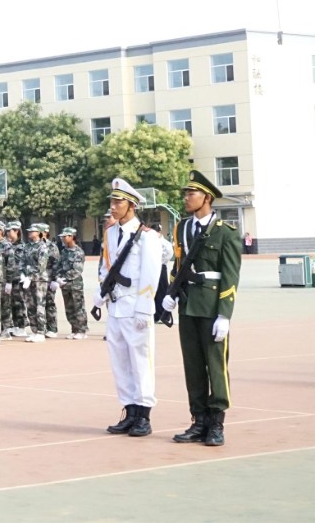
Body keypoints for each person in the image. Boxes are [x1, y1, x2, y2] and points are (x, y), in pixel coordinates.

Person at [162, 171, 240, 447]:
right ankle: (198, 420)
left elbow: (230, 275)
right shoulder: (182, 228)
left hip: (211, 307)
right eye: (185, 193)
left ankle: (217, 423)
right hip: (188, 306)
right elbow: (179, 265)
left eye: (191, 193)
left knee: (215, 366)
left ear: (206, 197)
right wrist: (171, 293)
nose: (186, 198)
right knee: (193, 366)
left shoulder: (225, 232)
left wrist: (224, 314)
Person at [98, 178, 165, 437]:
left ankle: (144, 415)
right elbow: (106, 267)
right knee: (120, 362)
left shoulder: (147, 237)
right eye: (112, 202)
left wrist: (145, 309)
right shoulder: (110, 233)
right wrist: (100, 294)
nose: (113, 206)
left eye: (118, 202)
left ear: (132, 205)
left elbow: (150, 275)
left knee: (141, 361)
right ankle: (129, 411)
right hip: (115, 307)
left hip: (136, 307)